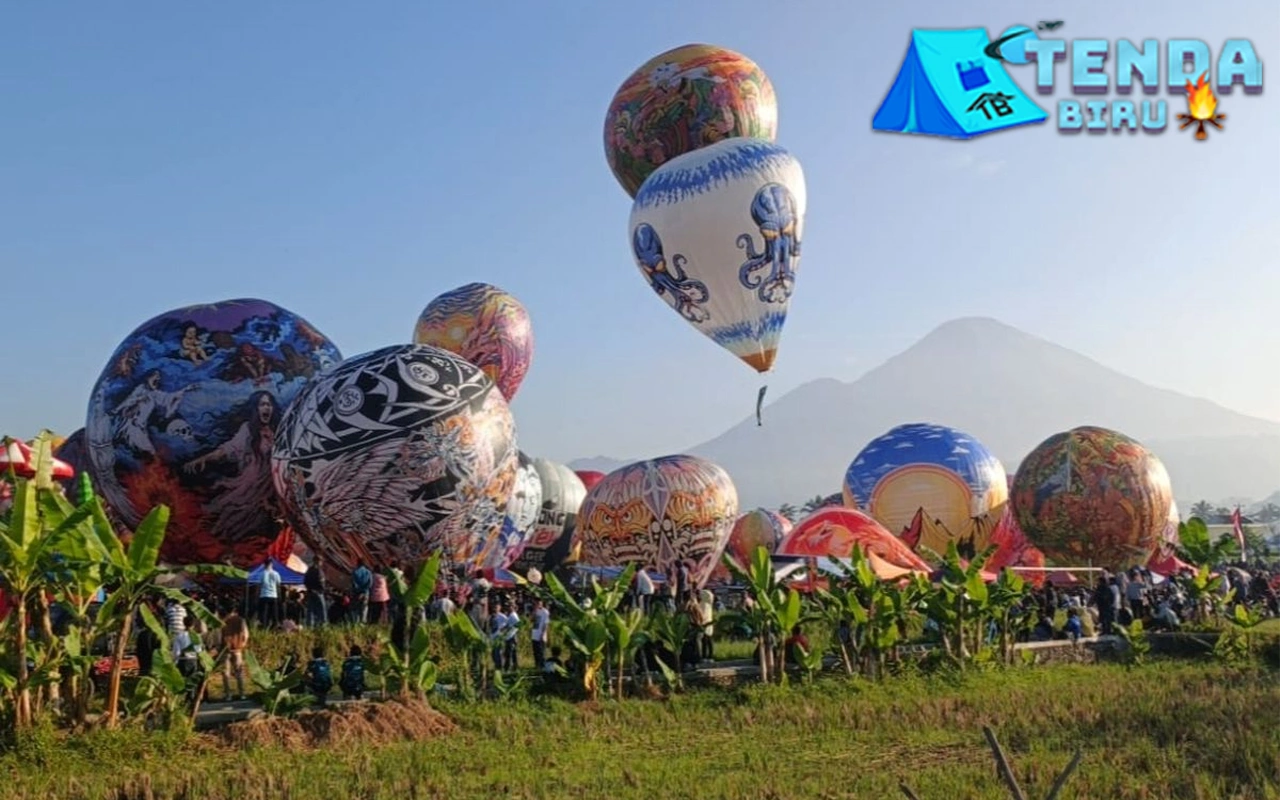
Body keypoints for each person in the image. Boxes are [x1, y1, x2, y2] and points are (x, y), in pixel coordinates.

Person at [220, 608, 250, 700]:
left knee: (226, 673)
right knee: (239, 673)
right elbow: (246, 634)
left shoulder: (223, 621)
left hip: (226, 650)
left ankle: (228, 695)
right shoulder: (241, 620)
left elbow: (219, 635)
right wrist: (242, 644)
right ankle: (242, 694)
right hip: (237, 649)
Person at [303, 560, 328, 628]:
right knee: (322, 609)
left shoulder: (309, 570)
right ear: (319, 561)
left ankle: (309, 626)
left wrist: (309, 589)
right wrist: (322, 590)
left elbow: (305, 581)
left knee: (310, 610)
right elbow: (321, 582)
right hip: (318, 592)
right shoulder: (319, 571)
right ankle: (323, 626)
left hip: (310, 592)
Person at [258, 560, 281, 628]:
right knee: (274, 613)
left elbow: (260, 585)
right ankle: (274, 626)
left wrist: (257, 596)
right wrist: (279, 596)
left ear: (265, 565)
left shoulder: (262, 574)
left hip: (264, 595)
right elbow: (278, 586)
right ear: (271, 565)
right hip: (273, 596)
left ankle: (265, 627)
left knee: (264, 614)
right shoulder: (276, 574)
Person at [530, 597, 551, 669]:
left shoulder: (545, 612)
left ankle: (542, 666)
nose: (538, 605)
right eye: (536, 603)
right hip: (534, 634)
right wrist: (534, 611)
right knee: (535, 651)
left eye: (539, 603)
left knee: (541, 652)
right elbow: (531, 620)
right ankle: (537, 665)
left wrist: (543, 634)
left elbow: (546, 624)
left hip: (541, 634)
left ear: (541, 603)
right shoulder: (535, 611)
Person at [698, 587, 715, 661]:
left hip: (705, 623)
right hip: (709, 623)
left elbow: (703, 615)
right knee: (708, 640)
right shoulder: (708, 604)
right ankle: (709, 656)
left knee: (705, 641)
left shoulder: (703, 604)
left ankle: (705, 656)